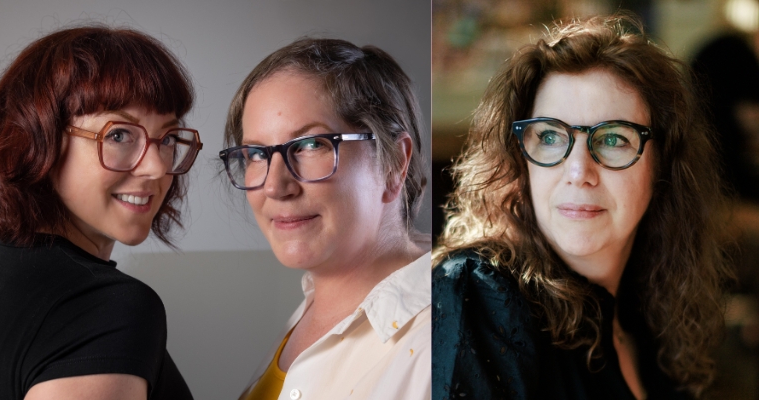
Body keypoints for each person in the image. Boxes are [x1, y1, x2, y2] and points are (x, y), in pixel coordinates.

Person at [432, 14, 732, 400]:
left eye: (612, 139)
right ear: (518, 161)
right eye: (551, 136)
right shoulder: (476, 292)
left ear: (664, 167)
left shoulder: (652, 320)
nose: (578, 171)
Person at [0, 26, 202, 399]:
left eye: (167, 138)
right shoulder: (110, 307)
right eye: (119, 135)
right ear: (40, 141)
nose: (156, 167)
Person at [219, 38, 431, 400]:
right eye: (256, 153)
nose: (274, 185)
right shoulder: (314, 305)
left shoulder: (437, 340)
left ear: (395, 162)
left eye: (311, 145)